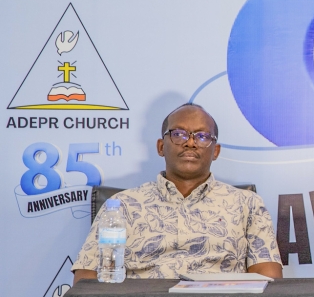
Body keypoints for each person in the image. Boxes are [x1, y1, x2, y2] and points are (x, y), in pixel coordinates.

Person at [72, 103, 282, 282]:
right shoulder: (121, 205)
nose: (190, 143)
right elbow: (86, 278)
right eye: (179, 134)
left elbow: (268, 280)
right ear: (161, 147)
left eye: (202, 136)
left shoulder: (247, 204)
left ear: (215, 151)